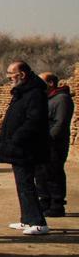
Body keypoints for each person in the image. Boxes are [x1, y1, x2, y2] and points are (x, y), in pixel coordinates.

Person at [0, 61, 51, 235]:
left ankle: (38, 222)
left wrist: (15, 139)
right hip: (18, 147)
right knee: (22, 184)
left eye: (11, 73)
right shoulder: (22, 92)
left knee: (27, 184)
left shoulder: (35, 94)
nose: (9, 77)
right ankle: (27, 219)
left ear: (22, 74)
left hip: (26, 147)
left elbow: (33, 121)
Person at [35, 73, 72, 218]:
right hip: (42, 143)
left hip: (55, 145)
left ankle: (57, 205)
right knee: (41, 173)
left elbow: (60, 123)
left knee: (53, 173)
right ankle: (45, 201)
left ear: (50, 83)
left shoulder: (62, 99)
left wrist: (48, 139)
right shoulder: (46, 99)